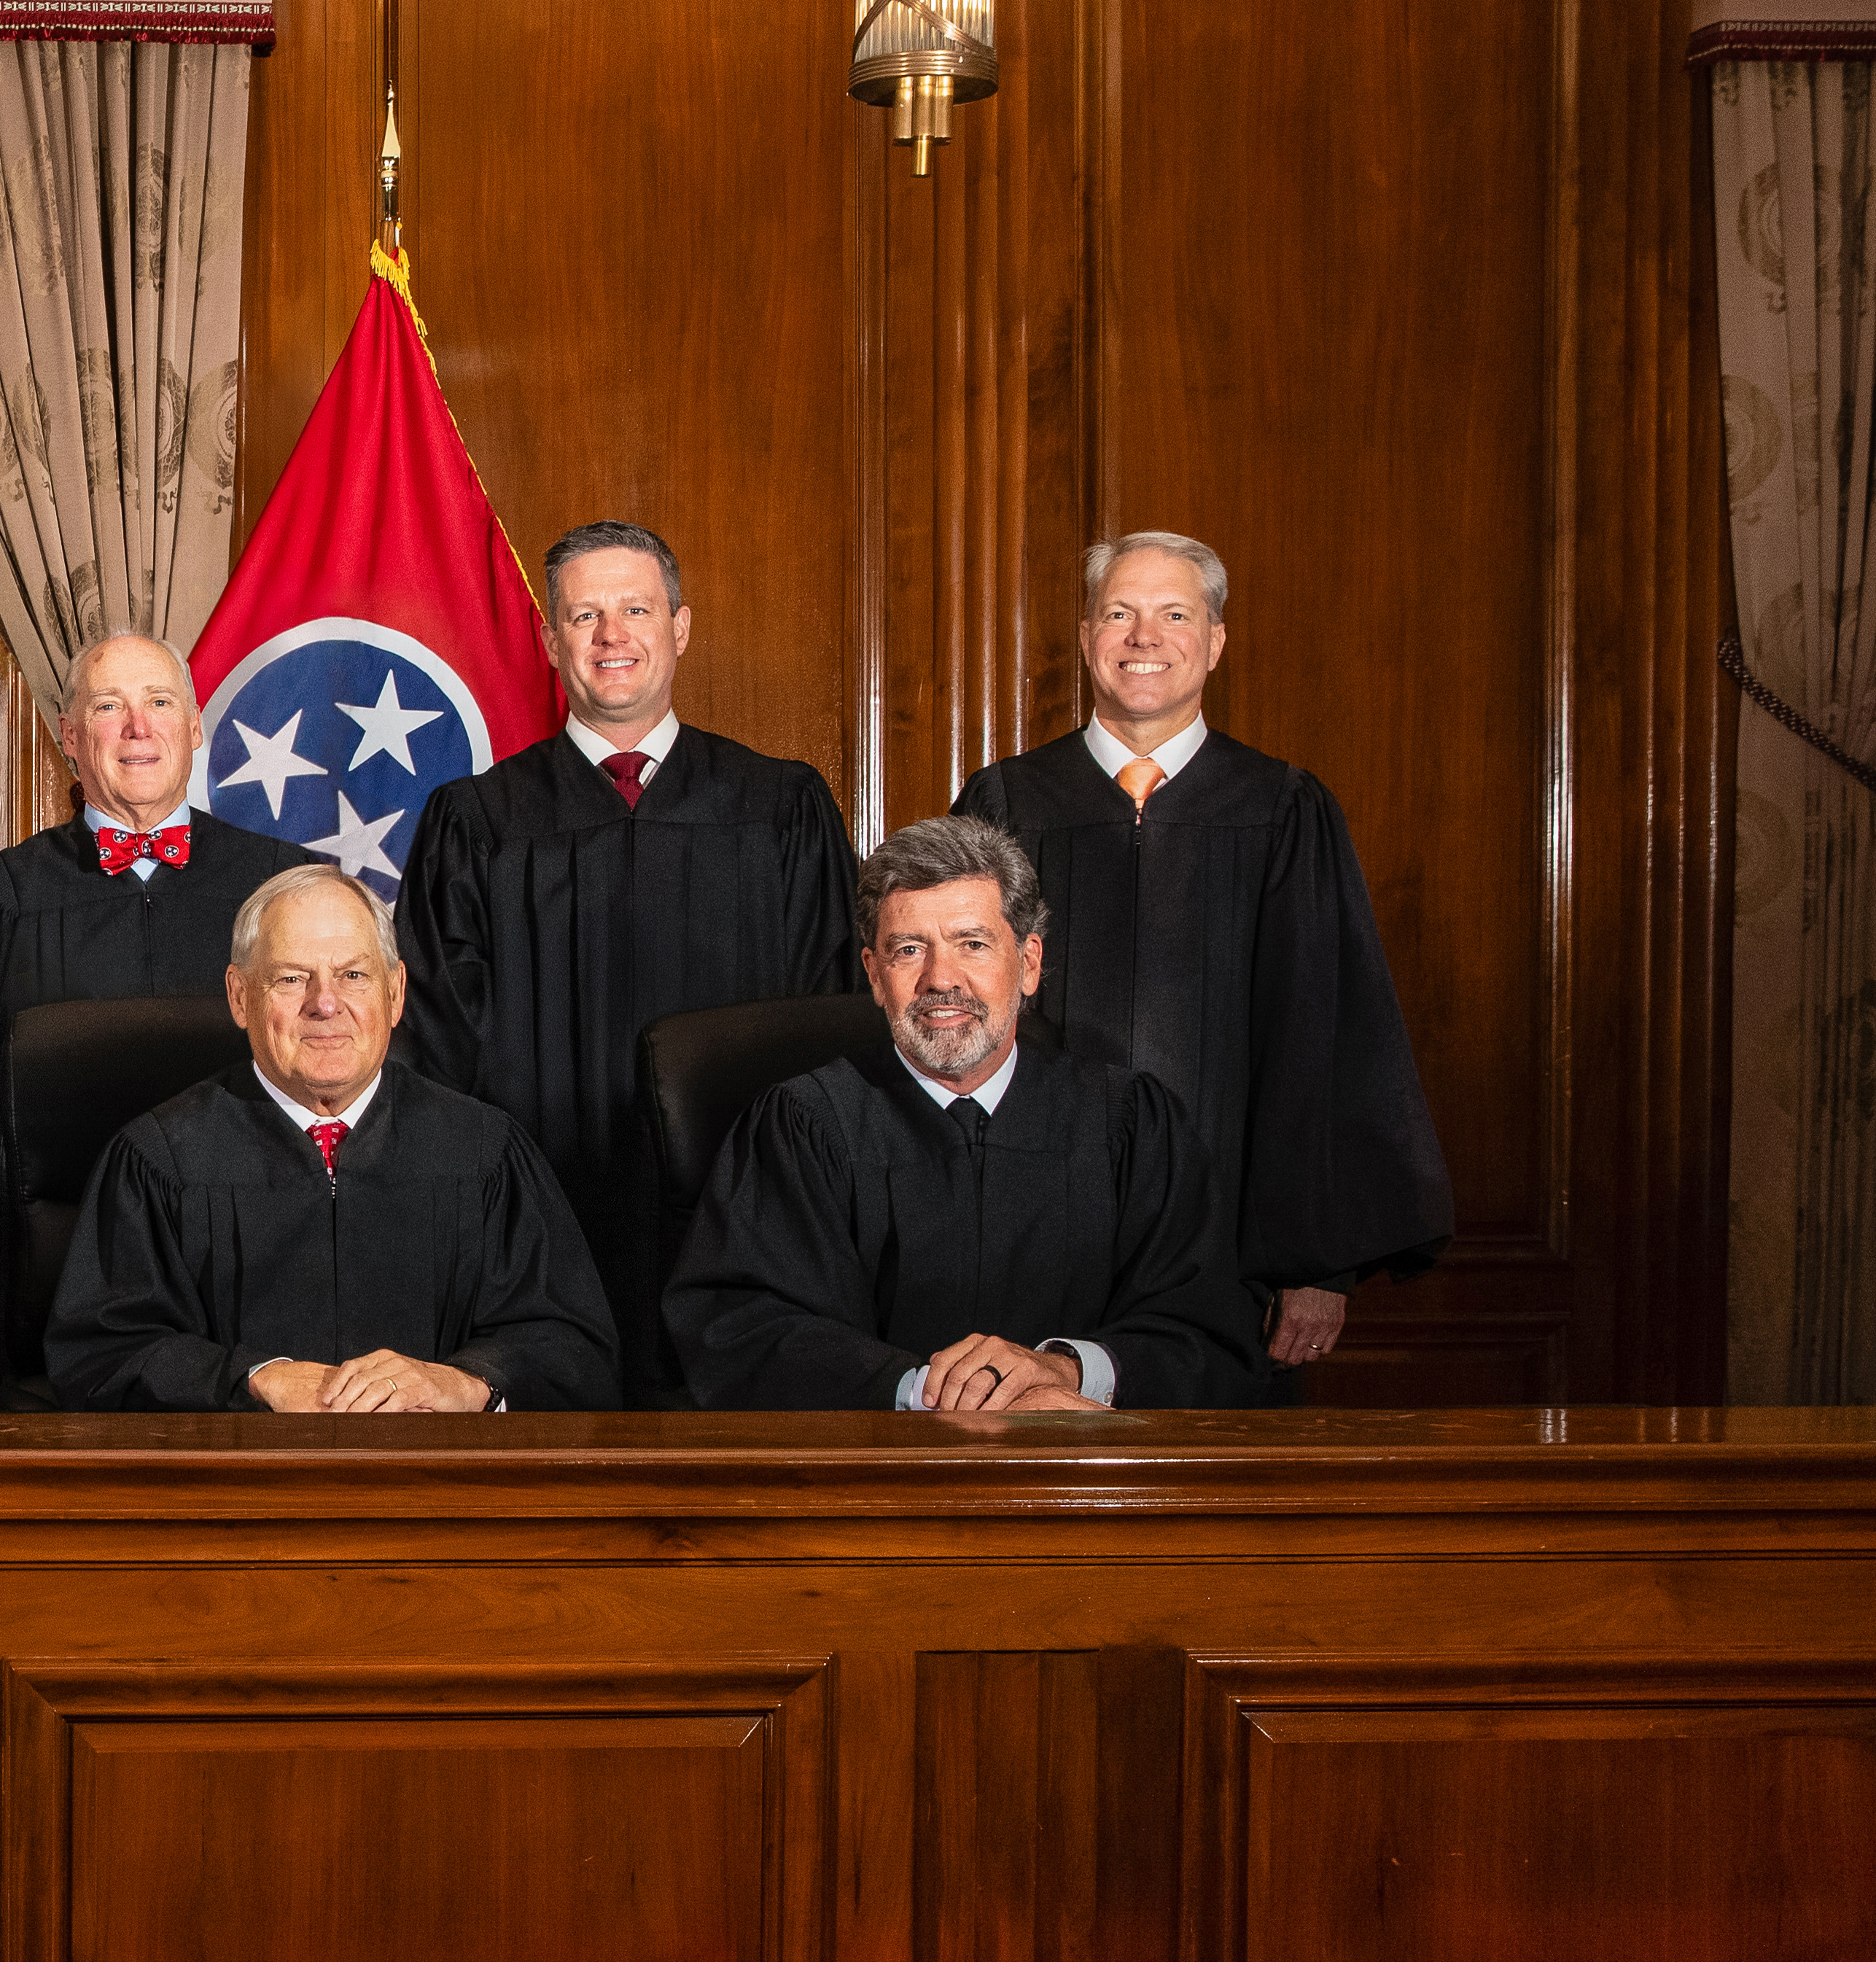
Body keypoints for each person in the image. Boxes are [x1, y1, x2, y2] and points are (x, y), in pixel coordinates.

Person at [951, 532, 1452, 1393]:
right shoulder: (1003, 802)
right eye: (1118, 613)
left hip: (1230, 1251)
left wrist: (1317, 1264)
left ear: (1214, 641)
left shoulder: (1282, 809)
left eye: (1173, 615)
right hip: (1027, 1226)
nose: (1143, 637)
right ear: (1086, 637)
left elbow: (1325, 1035)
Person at [391, 519, 853, 1398]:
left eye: (635, 610)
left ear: (678, 627)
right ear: (549, 640)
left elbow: (822, 1024)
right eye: (584, 615)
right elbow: (438, 1049)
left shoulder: (779, 809)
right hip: (540, 1226)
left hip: (742, 1227)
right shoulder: (477, 821)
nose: (611, 636)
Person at [664, 817, 1261, 1414]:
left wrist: (1065, 1371)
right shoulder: (803, 1126)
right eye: (908, 950)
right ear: (874, 975)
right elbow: (742, 1330)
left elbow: (1205, 1330)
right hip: (876, 1464)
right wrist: (935, 1393)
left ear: (1028, 962)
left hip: (1081, 1464)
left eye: (972, 943)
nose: (940, 979)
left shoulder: (1128, 1122)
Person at [47, 864, 615, 1414]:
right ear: (239, 996)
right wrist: (253, 1378)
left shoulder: (484, 1151)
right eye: (291, 978)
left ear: (395, 993)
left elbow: (573, 1349)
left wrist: (468, 1382)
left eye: (353, 975)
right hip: (240, 1475)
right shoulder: (160, 1158)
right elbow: (100, 1358)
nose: (324, 1002)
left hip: (435, 1472)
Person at [0, 631, 300, 1378]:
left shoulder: (280, 892)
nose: (138, 728)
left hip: (253, 1279)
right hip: (48, 1305)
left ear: (194, 727)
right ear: (70, 738)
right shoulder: (2, 900)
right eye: (109, 707)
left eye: (159, 703)